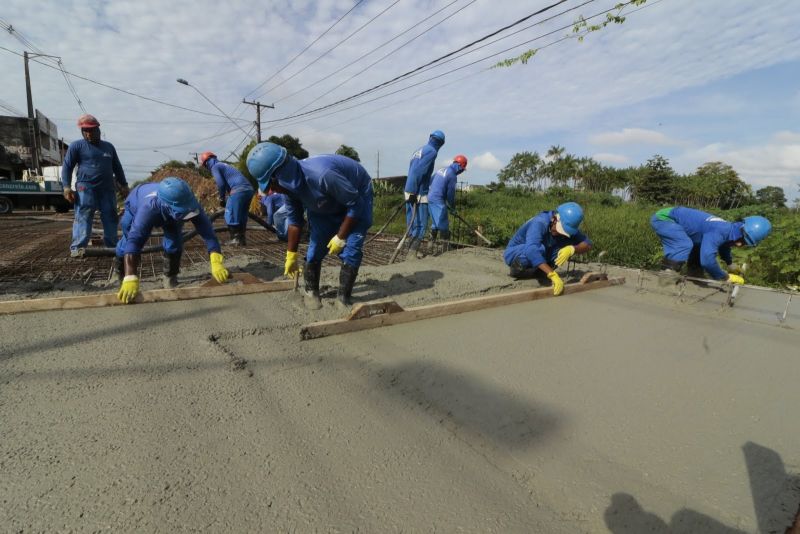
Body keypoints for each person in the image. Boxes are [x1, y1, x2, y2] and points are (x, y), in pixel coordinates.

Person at [246, 142, 373, 307]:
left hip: (356, 196)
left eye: (272, 184)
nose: (274, 190)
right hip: (323, 201)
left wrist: (341, 236)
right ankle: (311, 292)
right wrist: (291, 254)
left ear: (281, 175)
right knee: (316, 246)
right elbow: (294, 222)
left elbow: (355, 204)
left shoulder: (322, 175)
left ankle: (343, 298)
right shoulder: (289, 190)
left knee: (352, 247)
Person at [114, 177, 229, 302]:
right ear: (167, 206)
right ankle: (121, 274)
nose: (187, 216)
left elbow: (208, 233)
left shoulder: (190, 203)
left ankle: (170, 277)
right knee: (128, 238)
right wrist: (130, 277)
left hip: (171, 214)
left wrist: (216, 261)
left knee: (174, 240)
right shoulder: (148, 209)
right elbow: (135, 241)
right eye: (182, 212)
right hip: (136, 202)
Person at [61, 114, 129, 257]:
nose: (88, 133)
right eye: (85, 130)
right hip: (85, 187)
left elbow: (117, 167)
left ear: (98, 129)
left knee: (110, 215)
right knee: (84, 214)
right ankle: (78, 248)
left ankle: (112, 246)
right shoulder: (76, 146)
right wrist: (66, 187)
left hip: (107, 188)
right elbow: (67, 166)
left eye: (91, 130)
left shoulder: (108, 147)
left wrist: (124, 185)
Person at [650, 206, 771, 283]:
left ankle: (694, 274)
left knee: (699, 244)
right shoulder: (720, 230)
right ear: (741, 230)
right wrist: (725, 277)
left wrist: (730, 264)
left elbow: (724, 245)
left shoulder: (730, 229)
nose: (740, 245)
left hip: (678, 221)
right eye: (743, 240)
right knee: (684, 245)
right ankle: (666, 278)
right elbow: (707, 260)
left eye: (745, 244)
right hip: (664, 218)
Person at [503, 202, 592, 296]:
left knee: (564, 245)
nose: (560, 233)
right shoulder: (540, 222)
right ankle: (517, 271)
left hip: (540, 251)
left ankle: (540, 271)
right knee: (538, 248)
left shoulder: (569, 226)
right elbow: (531, 249)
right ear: (554, 219)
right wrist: (552, 274)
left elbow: (588, 244)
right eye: (560, 230)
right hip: (515, 253)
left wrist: (573, 249)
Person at [403, 130, 445, 257]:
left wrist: (409, 190)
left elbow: (412, 170)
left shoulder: (419, 150)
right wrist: (414, 191)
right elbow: (418, 171)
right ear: (441, 144)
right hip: (419, 192)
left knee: (411, 221)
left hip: (409, 189)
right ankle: (412, 253)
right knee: (421, 224)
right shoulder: (432, 152)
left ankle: (408, 249)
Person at [199, 151, 254, 246]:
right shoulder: (224, 165)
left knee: (230, 214)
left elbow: (221, 184)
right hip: (248, 189)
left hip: (238, 190)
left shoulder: (215, 167)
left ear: (207, 162)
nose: (206, 168)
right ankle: (241, 239)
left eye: (205, 166)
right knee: (241, 215)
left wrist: (222, 198)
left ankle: (235, 240)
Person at [426, 155, 467, 256]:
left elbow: (430, 181)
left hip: (430, 198)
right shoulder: (452, 175)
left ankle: (430, 245)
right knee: (443, 224)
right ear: (459, 165)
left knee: (436, 222)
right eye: (462, 169)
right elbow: (450, 194)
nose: (461, 171)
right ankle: (445, 248)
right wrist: (452, 208)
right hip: (438, 200)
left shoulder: (441, 170)